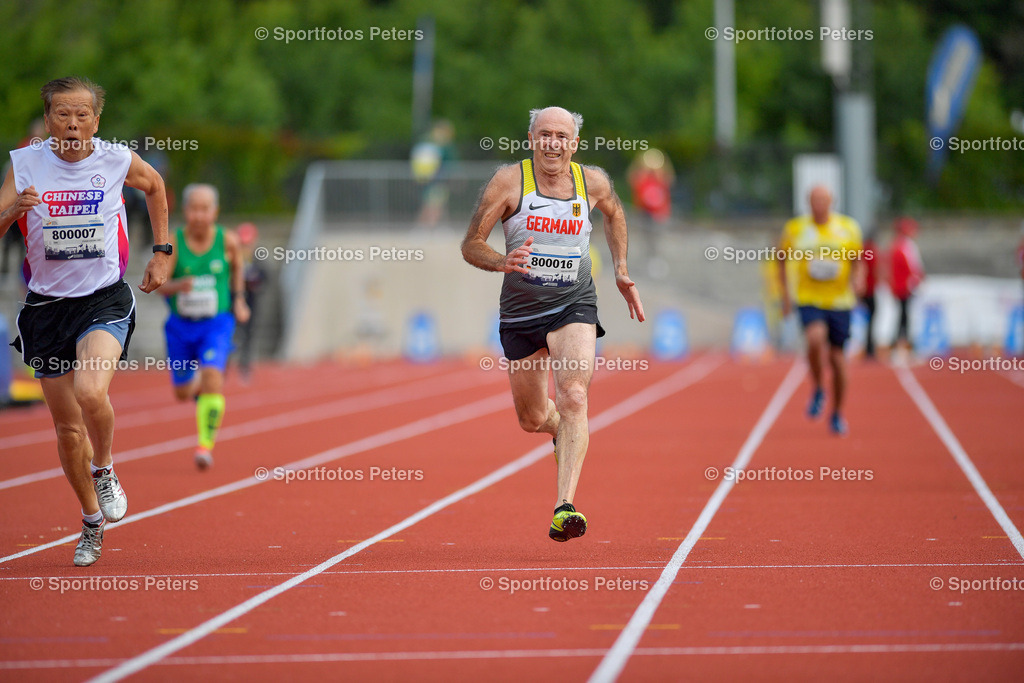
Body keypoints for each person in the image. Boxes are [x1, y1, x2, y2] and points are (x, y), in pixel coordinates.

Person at [0, 77, 172, 566]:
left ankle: (106, 467)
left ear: (96, 121)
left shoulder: (115, 159)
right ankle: (91, 520)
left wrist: (163, 251)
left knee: (91, 393)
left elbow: (155, 186)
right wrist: (14, 210)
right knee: (68, 430)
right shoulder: (25, 164)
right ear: (48, 120)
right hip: (45, 309)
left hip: (103, 300)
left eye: (82, 115)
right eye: (62, 115)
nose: (72, 124)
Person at [462, 106, 645, 542]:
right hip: (521, 312)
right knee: (531, 417)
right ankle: (560, 431)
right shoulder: (509, 182)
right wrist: (502, 261)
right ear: (531, 139)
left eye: (561, 136)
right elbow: (471, 244)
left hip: (573, 303)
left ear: (574, 144)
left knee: (574, 395)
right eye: (545, 134)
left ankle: (565, 506)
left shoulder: (591, 182)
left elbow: (615, 212)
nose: (553, 143)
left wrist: (621, 269)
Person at [156, 184, 249, 470]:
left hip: (216, 324)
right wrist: (177, 286)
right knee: (182, 393)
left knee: (213, 377)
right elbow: (160, 285)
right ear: (185, 211)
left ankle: (204, 446)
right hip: (180, 327)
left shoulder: (227, 241)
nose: (199, 215)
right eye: (194, 209)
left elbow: (237, 268)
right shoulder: (174, 242)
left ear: (215, 211)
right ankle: (195, 386)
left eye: (205, 209)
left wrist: (239, 299)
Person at [778, 185, 865, 436]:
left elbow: (858, 261)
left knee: (838, 360)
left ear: (831, 201)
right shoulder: (795, 228)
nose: (819, 204)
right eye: (814, 199)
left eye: (823, 199)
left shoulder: (848, 228)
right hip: (809, 297)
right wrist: (785, 295)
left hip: (840, 301)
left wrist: (858, 280)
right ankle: (818, 386)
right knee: (815, 338)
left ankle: (837, 412)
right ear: (808, 202)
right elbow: (781, 259)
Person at [233, 221, 266, 381]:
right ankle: (224, 365)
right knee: (231, 333)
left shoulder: (259, 259)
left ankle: (245, 366)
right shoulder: (231, 258)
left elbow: (266, 278)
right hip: (232, 303)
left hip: (251, 303)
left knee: (249, 335)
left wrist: (255, 284)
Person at [887, 217, 925, 354]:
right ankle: (903, 345)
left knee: (903, 316)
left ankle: (900, 344)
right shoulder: (905, 246)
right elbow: (913, 267)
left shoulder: (896, 245)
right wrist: (918, 280)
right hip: (905, 287)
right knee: (905, 317)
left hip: (901, 286)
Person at [860, 235, 880, 358]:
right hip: (868, 290)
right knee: (870, 320)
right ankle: (869, 348)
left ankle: (868, 347)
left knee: (866, 320)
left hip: (865, 289)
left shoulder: (863, 250)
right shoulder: (870, 251)